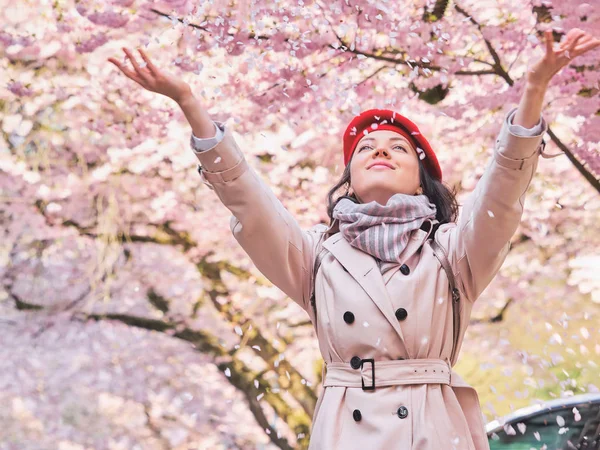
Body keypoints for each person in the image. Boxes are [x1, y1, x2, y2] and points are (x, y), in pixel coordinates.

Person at [108, 28, 599, 450]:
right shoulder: (318, 257)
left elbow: (504, 194)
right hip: (347, 427)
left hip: (431, 426)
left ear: (420, 178)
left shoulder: (452, 252)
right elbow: (250, 205)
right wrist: (190, 104)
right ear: (350, 176)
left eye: (397, 148)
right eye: (366, 148)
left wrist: (533, 91)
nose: (378, 151)